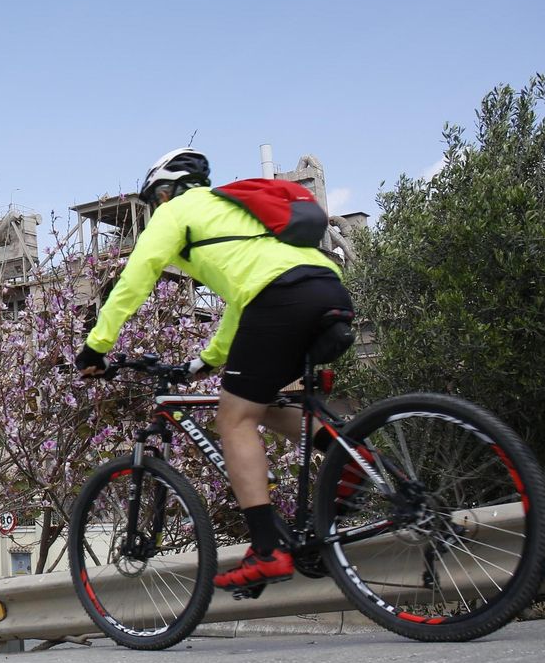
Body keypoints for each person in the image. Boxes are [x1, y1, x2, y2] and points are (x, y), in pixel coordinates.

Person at [74, 147, 353, 592]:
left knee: (232, 418)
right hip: (325, 288)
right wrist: (207, 360)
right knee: (260, 403)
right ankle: (353, 459)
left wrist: (96, 346)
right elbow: (242, 298)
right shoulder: (231, 210)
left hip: (278, 297)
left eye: (154, 199)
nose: (156, 208)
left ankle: (266, 551)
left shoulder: (177, 211)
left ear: (166, 192)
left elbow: (135, 278)